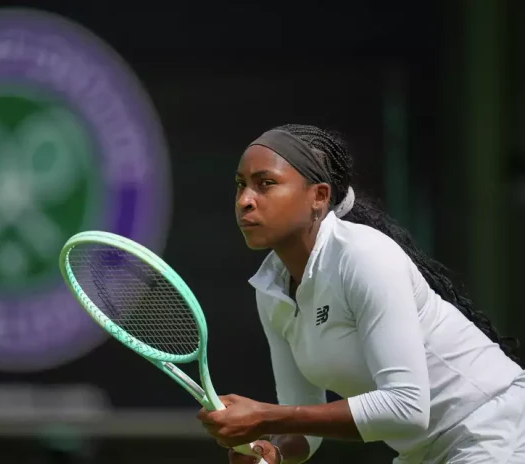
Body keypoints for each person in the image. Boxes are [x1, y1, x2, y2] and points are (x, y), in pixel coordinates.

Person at [197, 124, 525, 464]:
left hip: (496, 427)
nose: (245, 201)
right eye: (240, 185)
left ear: (318, 196)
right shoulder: (270, 290)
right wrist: (274, 452)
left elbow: (406, 407)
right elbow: (302, 421)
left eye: (266, 183)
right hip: (422, 452)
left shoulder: (363, 255)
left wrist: (266, 417)